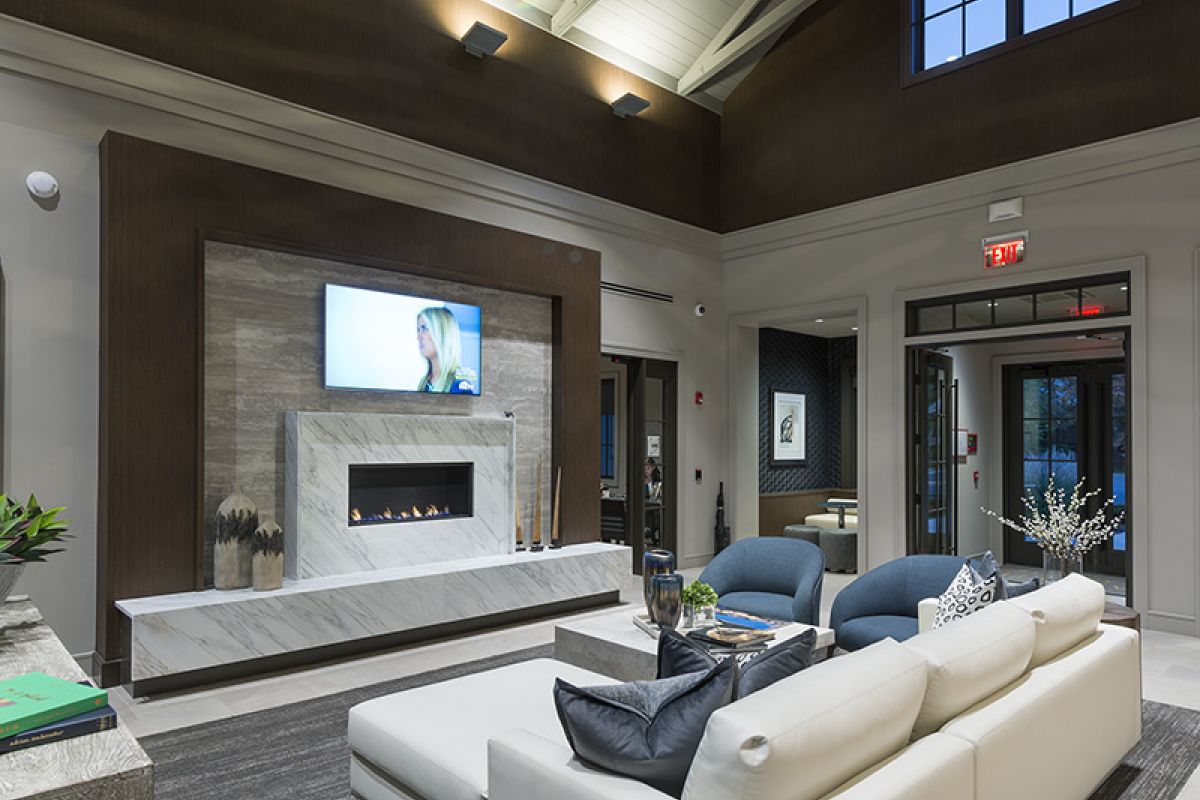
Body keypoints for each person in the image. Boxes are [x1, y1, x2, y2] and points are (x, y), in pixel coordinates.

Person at [415, 307, 476, 394]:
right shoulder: (423, 383)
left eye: (424, 329)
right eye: (418, 330)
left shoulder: (460, 386)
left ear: (442, 334)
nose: (418, 337)